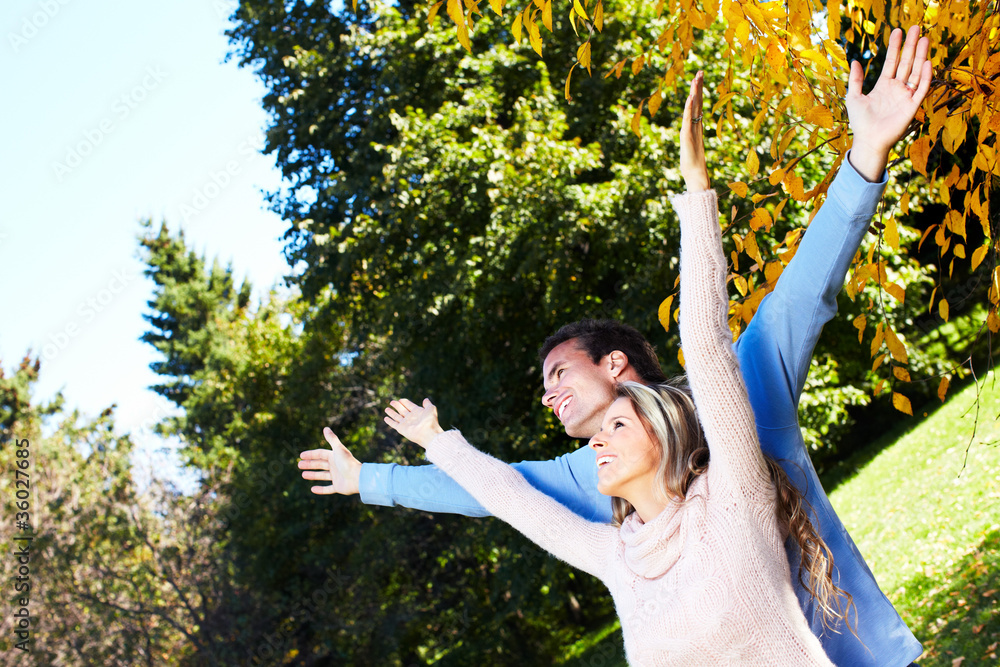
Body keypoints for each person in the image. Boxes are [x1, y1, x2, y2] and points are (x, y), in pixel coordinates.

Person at [300, 26, 933, 666]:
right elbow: (496, 493)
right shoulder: (596, 491)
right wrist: (369, 478)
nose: (548, 397)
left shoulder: (740, 392)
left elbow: (790, 298)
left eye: (557, 374)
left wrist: (864, 158)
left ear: (614, 364)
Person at [378, 75, 847, 661]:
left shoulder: (732, 498)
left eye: (617, 427)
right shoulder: (618, 556)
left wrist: (697, 194)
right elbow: (509, 497)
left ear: (665, 430)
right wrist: (435, 440)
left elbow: (704, 346)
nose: (597, 440)